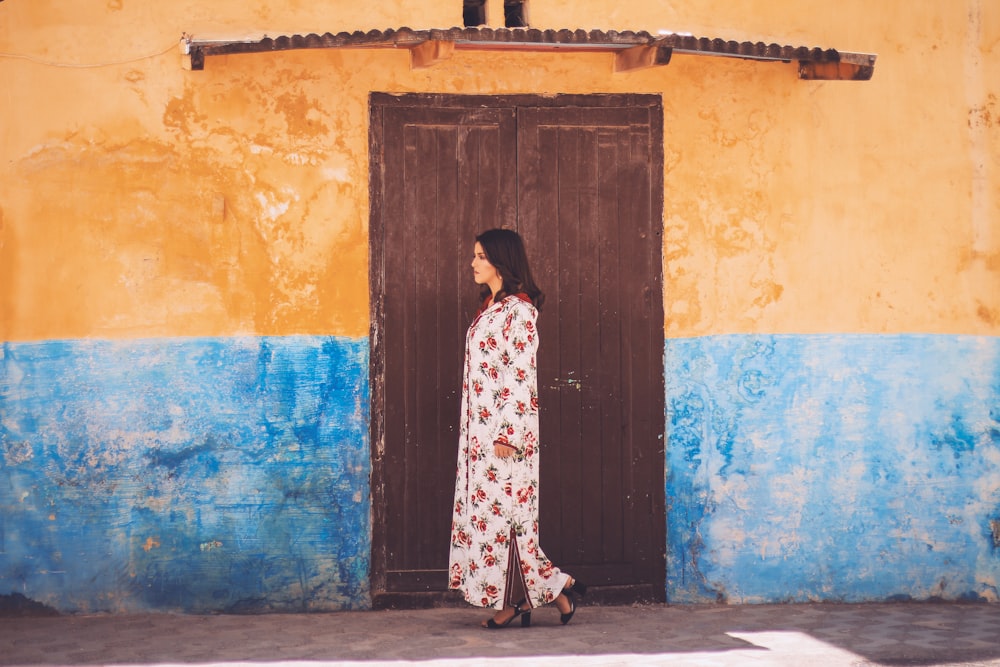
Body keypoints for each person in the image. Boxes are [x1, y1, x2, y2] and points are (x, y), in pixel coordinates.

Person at [448, 228, 587, 629]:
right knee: (495, 521)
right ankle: (558, 592)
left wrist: (508, 432)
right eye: (474, 256)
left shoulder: (519, 312)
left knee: (509, 521)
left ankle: (514, 602)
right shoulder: (490, 308)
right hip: (480, 438)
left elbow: (520, 375)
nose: (473, 263)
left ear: (500, 261)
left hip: (506, 439)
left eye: (480, 256)